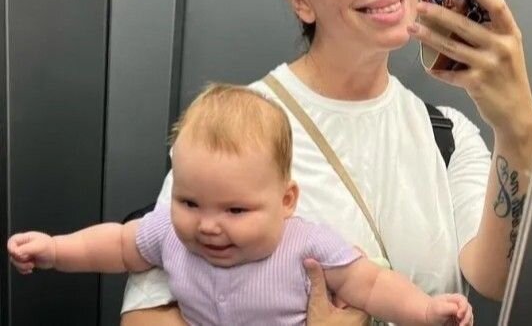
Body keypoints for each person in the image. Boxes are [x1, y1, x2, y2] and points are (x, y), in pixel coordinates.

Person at [121, 0, 532, 326]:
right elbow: (144, 318)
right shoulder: (236, 125)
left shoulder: (448, 136)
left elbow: (496, 278)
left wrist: (517, 130)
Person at [8, 84, 473, 326]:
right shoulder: (169, 232)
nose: (208, 226)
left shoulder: (306, 245)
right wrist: (55, 250)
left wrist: (425, 311)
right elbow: (117, 245)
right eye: (190, 202)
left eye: (235, 211)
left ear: (286, 201)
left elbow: (370, 284)